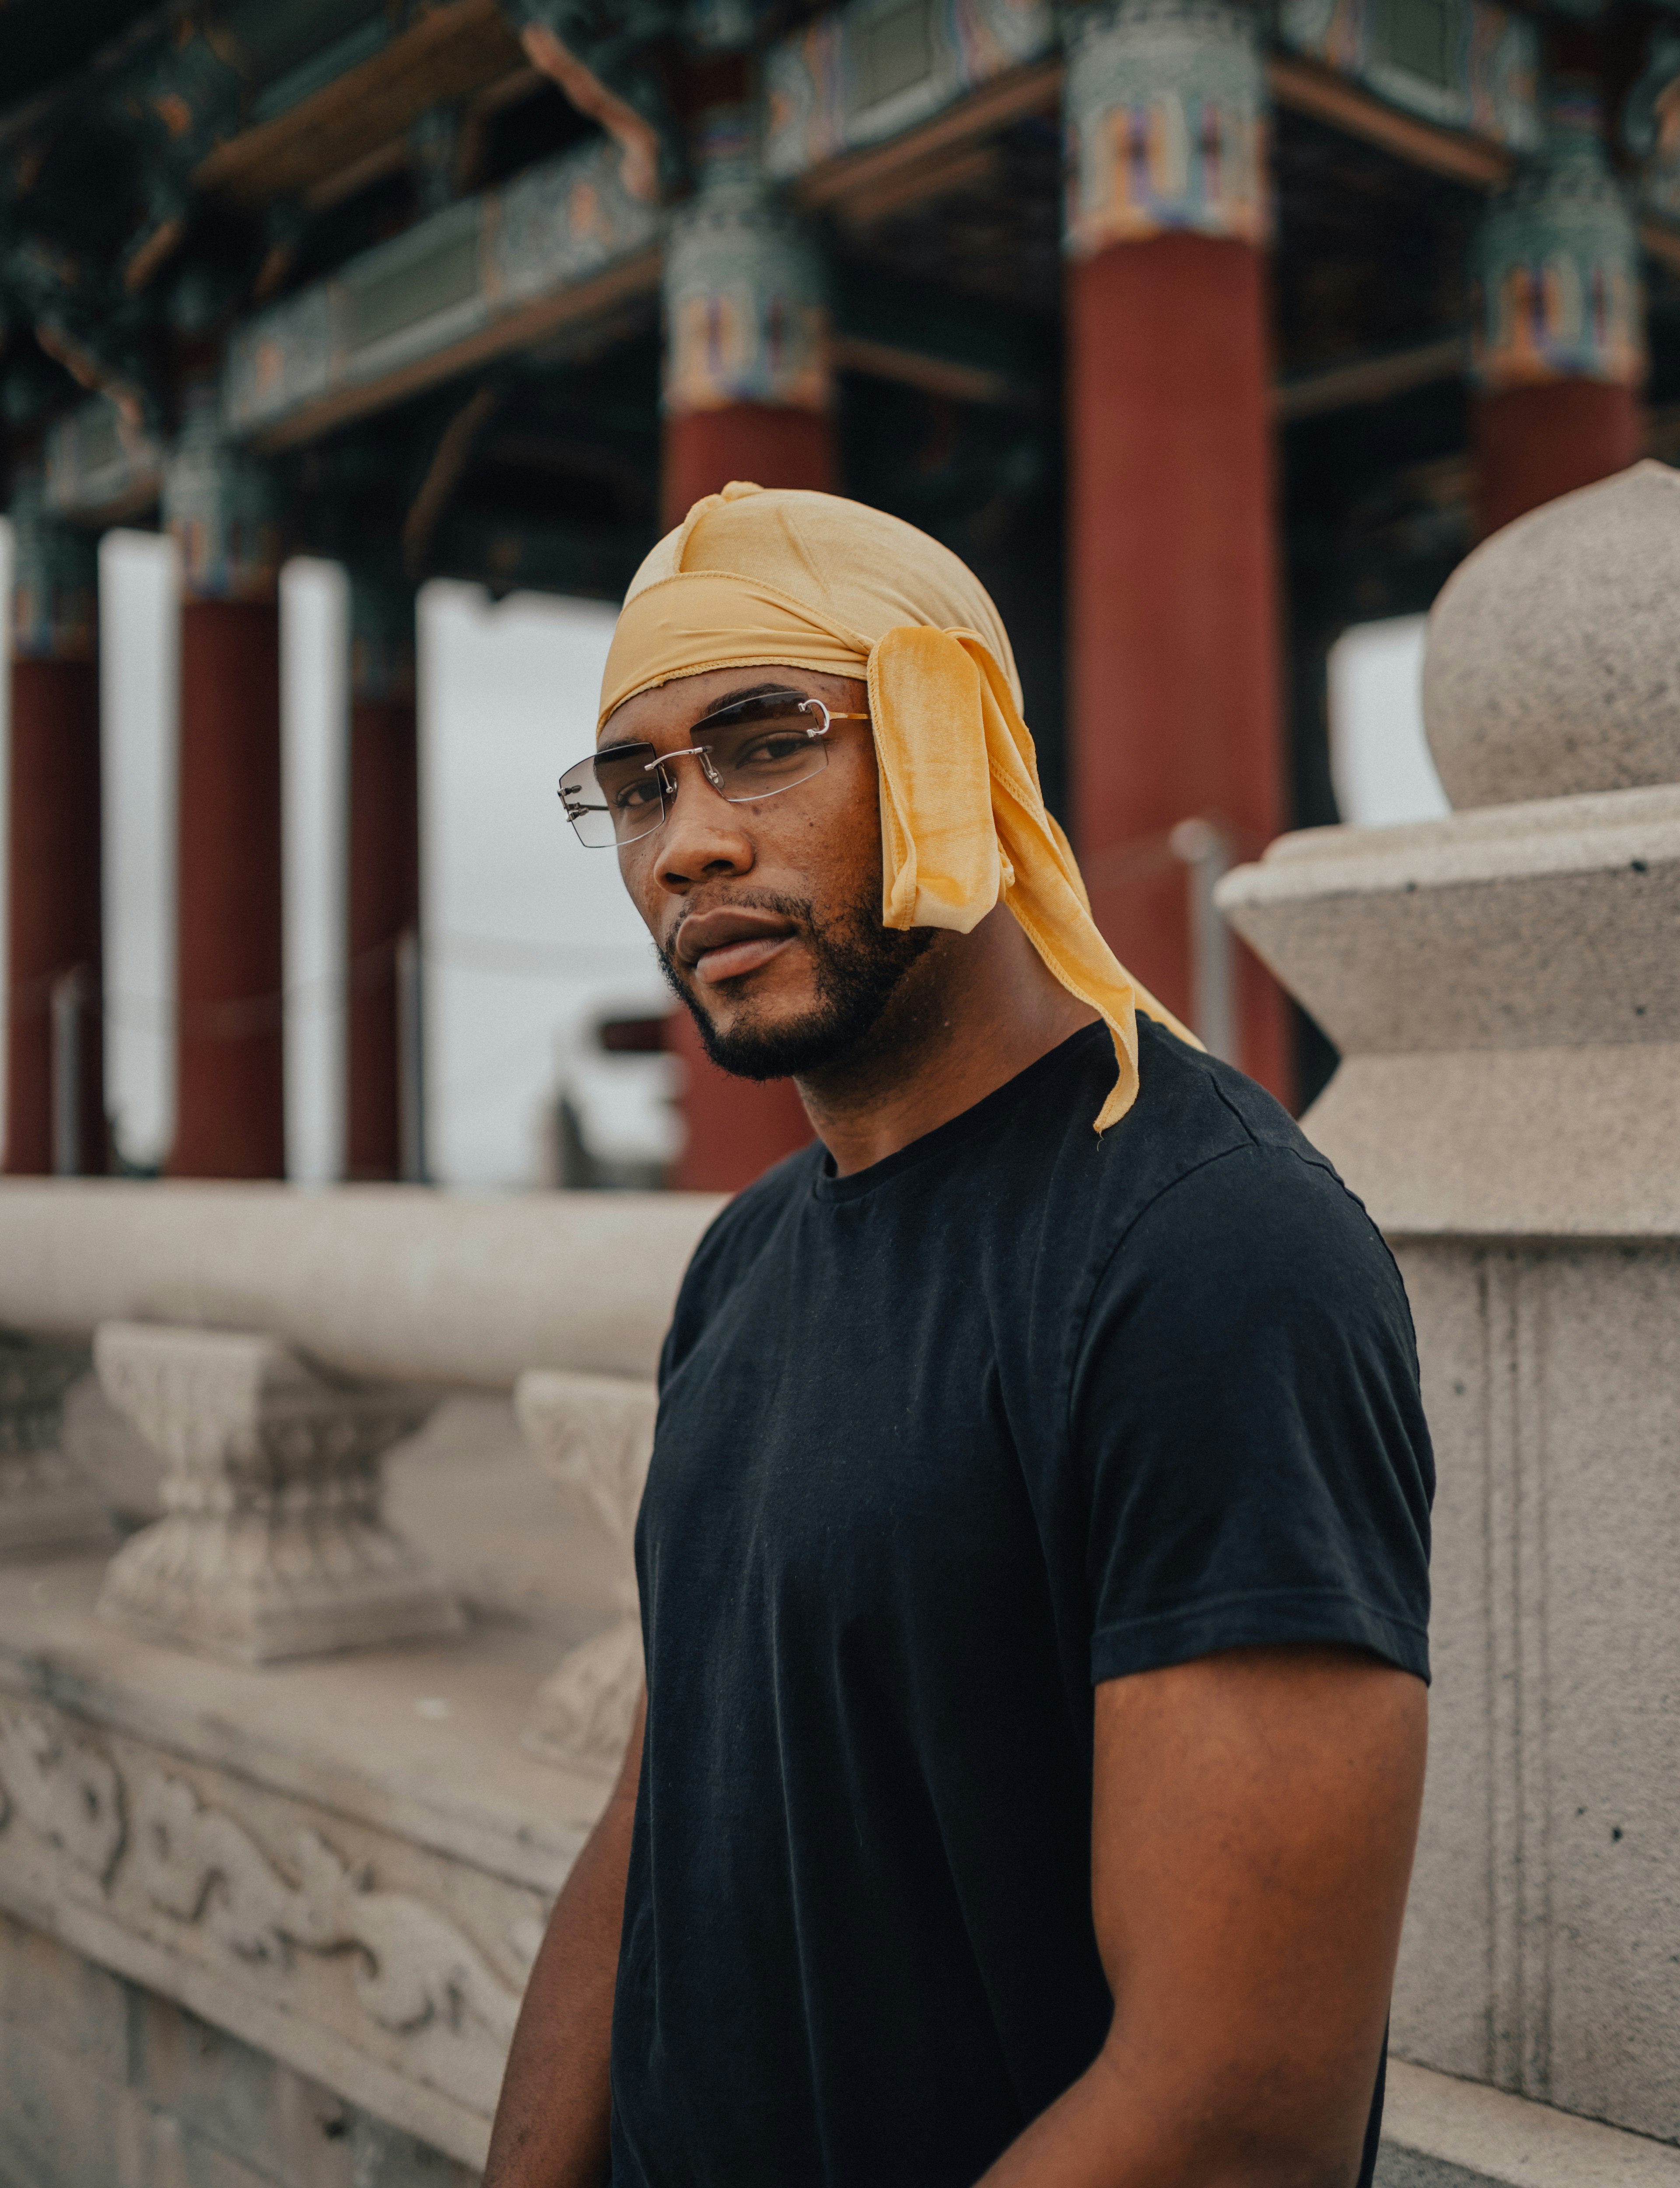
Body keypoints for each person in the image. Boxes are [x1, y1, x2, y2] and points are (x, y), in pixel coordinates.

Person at [484, 483, 1434, 2188]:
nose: (686, 840)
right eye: (635, 788)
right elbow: (656, 1826)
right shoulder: (748, 1261)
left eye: (762, 742)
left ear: (947, 745)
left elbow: (1237, 2108)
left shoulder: (1208, 1251)